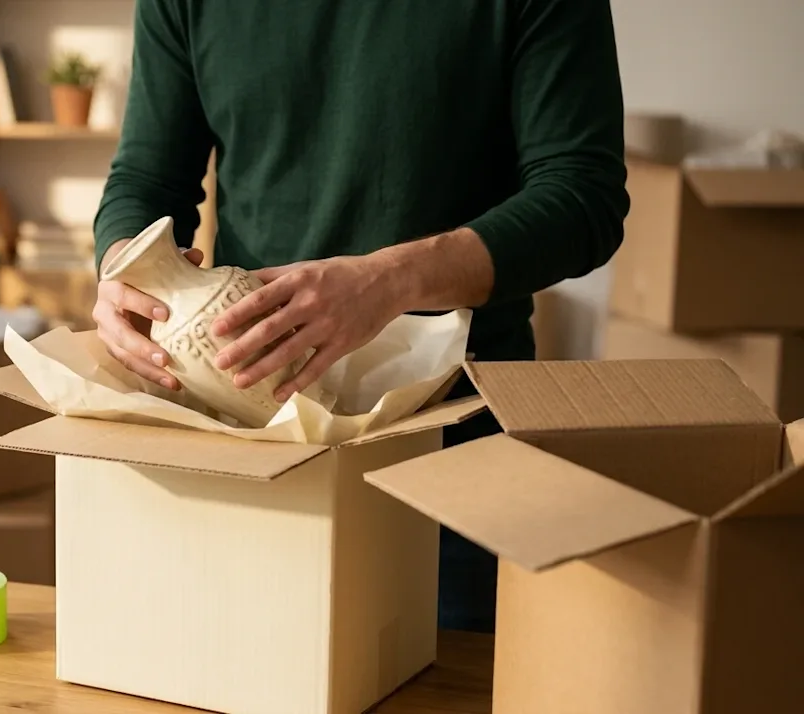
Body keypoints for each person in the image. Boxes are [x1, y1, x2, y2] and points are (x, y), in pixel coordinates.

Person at [91, 0, 629, 633]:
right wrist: (122, 265)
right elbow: (147, 180)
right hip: (249, 433)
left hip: (455, 435)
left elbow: (582, 196)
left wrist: (390, 280)